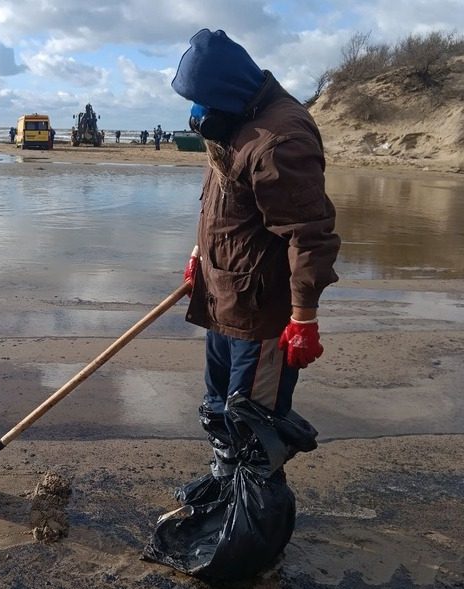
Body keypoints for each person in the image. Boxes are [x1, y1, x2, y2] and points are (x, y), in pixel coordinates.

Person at [173, 29, 340, 482]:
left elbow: (309, 235)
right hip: (225, 295)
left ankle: (253, 530)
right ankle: (226, 492)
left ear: (227, 92)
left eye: (202, 99)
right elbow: (223, 206)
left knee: (252, 422)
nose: (197, 113)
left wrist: (303, 317)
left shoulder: (280, 140)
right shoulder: (232, 124)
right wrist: (198, 254)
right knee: (219, 409)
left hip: (263, 315)